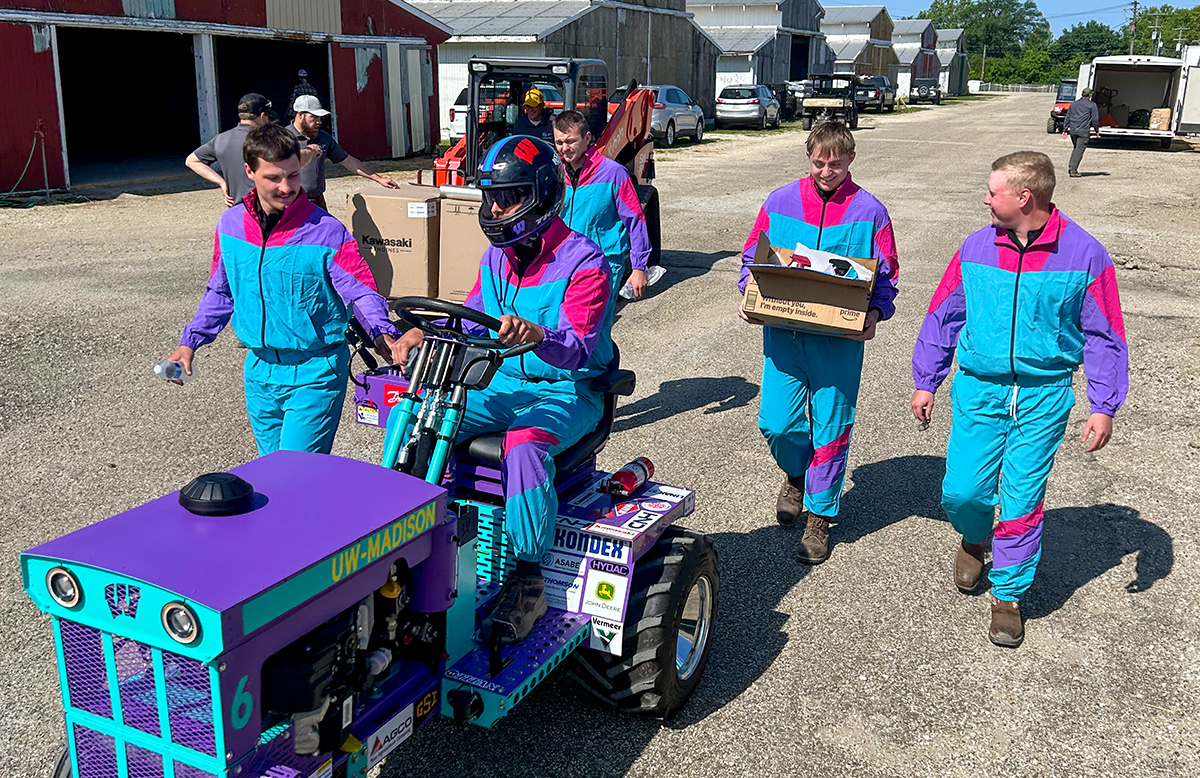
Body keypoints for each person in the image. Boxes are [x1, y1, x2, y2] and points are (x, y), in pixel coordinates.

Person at [394, 136, 611, 643]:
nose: (494, 209)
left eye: (507, 197)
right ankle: (407, 539)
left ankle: (529, 576)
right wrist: (421, 331)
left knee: (523, 445)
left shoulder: (586, 263)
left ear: (540, 194)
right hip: (505, 383)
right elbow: (470, 321)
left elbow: (578, 349)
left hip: (568, 390)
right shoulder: (497, 257)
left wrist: (538, 335)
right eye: (491, 197)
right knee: (418, 412)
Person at [911, 151, 1128, 648]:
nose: (986, 199)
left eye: (993, 191)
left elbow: (1104, 336)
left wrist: (1103, 405)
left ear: (1023, 197)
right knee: (962, 492)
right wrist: (928, 378)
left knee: (1023, 500)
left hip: (1044, 395)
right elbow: (944, 314)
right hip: (980, 389)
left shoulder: (1085, 254)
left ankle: (1007, 595)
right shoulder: (974, 247)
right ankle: (973, 536)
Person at [165, 123, 405, 456]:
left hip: (315, 372)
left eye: (293, 176)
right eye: (274, 178)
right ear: (249, 171)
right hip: (260, 372)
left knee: (295, 474)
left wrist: (382, 333)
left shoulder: (326, 232)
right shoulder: (230, 226)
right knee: (271, 475)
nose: (286, 187)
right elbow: (220, 292)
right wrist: (190, 343)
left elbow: (361, 290)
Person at [737, 121, 899, 564]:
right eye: (819, 162)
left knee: (831, 428)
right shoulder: (780, 200)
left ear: (851, 159)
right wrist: (747, 294)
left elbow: (887, 277)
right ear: (809, 158)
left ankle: (819, 516)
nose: (827, 171)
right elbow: (755, 254)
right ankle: (796, 472)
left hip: (838, 343)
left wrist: (876, 312)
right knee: (776, 423)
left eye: (836, 162)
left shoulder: (871, 212)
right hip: (784, 334)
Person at [553, 109, 654, 316]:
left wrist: (638, 268)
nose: (564, 148)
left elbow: (635, 221)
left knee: (595, 330)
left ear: (587, 138)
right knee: (564, 328)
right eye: (559, 142)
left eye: (570, 141)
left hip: (603, 263)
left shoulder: (613, 173)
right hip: (563, 262)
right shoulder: (554, 174)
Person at [287, 95, 400, 211]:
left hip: (317, 203)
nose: (319, 122)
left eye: (320, 118)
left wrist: (379, 179)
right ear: (300, 115)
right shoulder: (283, 139)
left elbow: (348, 160)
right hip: (292, 204)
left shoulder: (323, 138)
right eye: (314, 117)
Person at [185, 93, 276, 207]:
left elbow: (191, 161)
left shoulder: (220, 139)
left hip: (236, 209)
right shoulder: (270, 140)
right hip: (267, 208)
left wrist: (221, 182)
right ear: (262, 116)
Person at [1062, 87, 1100, 178]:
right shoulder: (1092, 105)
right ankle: (1073, 170)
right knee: (1079, 150)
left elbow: (1068, 117)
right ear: (1090, 95)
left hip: (1073, 130)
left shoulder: (1074, 104)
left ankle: (1072, 167)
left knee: (1076, 149)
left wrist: (1065, 129)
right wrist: (1096, 130)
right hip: (1083, 131)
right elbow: (1095, 119)